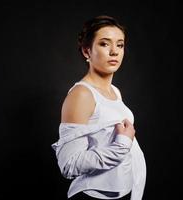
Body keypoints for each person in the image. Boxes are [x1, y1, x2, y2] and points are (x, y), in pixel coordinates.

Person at [51, 15, 146, 200]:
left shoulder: (114, 91)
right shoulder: (82, 95)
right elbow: (68, 164)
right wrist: (122, 145)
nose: (114, 52)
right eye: (104, 44)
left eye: (120, 45)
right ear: (87, 51)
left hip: (123, 193)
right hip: (93, 196)